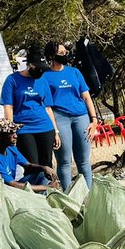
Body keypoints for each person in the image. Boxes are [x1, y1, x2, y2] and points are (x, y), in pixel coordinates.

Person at [42, 39, 98, 190]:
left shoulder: (74, 72)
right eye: (61, 53)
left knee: (84, 161)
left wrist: (94, 120)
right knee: (65, 161)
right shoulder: (44, 76)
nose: (65, 54)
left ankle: (88, 194)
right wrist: (55, 131)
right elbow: (46, 105)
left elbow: (86, 96)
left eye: (65, 52)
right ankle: (69, 196)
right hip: (59, 118)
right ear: (52, 56)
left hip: (81, 117)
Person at [0, 43, 60, 168]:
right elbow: (8, 107)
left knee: (47, 165)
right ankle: (35, 187)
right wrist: (11, 131)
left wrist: (56, 131)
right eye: (37, 67)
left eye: (43, 68)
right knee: (32, 165)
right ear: (29, 65)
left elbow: (48, 108)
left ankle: (48, 188)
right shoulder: (12, 80)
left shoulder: (43, 80)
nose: (40, 71)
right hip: (24, 128)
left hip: (45, 126)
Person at [0, 119, 56, 190]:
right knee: (42, 190)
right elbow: (13, 184)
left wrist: (44, 167)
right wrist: (47, 187)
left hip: (10, 187)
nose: (15, 136)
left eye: (15, 132)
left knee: (41, 175)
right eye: (11, 133)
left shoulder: (10, 147)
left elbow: (28, 165)